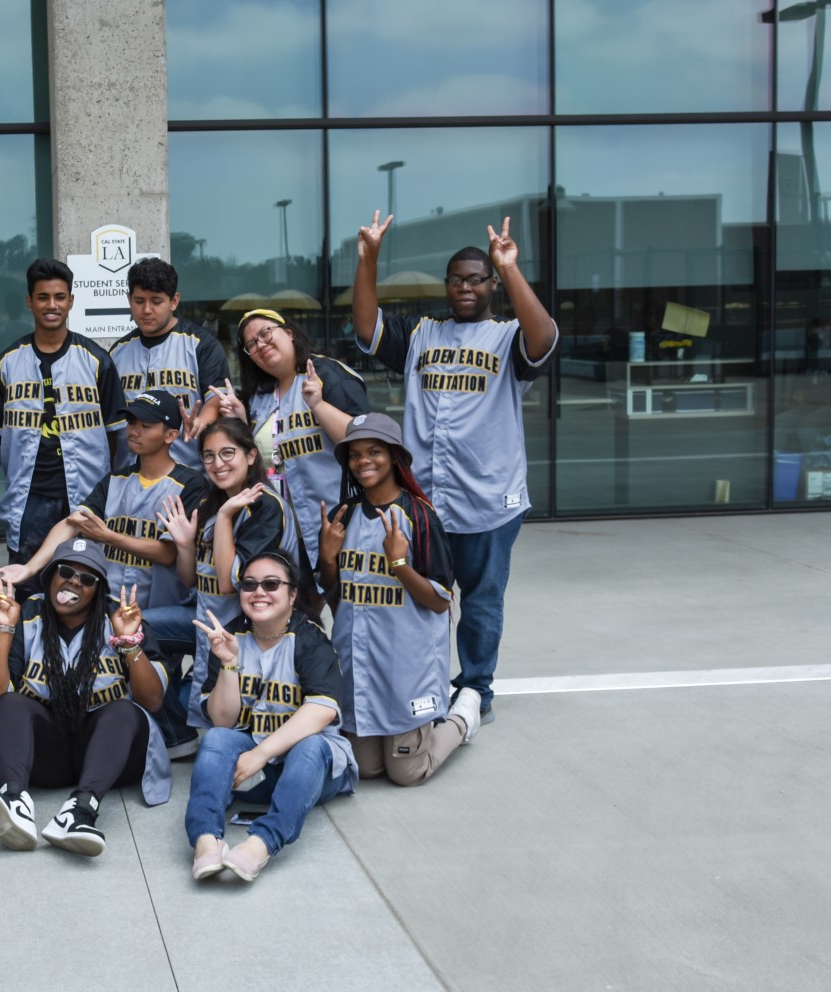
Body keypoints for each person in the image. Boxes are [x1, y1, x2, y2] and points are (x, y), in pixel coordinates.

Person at [351, 214, 558, 720]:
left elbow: (546, 338)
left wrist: (509, 267)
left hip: (489, 497)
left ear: (490, 284)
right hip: (426, 498)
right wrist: (369, 258)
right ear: (446, 285)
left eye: (475, 278)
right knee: (422, 597)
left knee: (481, 602)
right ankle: (423, 680)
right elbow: (366, 327)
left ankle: (476, 688)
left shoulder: (509, 336)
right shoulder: (422, 332)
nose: (465, 287)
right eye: (456, 279)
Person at [0, 389, 206, 756]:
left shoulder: (190, 482)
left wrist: (107, 536)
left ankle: (172, 734)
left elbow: (169, 553)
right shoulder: (116, 479)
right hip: (114, 605)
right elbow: (73, 523)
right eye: (132, 423)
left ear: (171, 435)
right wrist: (29, 568)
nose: (133, 431)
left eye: (146, 425)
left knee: (137, 655)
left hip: (164, 609)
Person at [0, 541, 172, 857]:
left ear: (98, 590)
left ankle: (79, 812)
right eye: (66, 571)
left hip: (111, 757)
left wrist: (129, 643)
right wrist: (5, 629)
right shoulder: (27, 615)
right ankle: (15, 802)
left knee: (123, 710)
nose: (74, 581)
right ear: (51, 577)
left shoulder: (120, 617)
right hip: (47, 757)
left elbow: (153, 701)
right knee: (11, 703)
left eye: (87, 579)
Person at [318, 412, 481, 785]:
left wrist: (400, 564)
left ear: (394, 456)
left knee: (408, 773)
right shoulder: (347, 514)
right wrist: (328, 556)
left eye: (374, 451)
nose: (363, 462)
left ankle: (462, 716)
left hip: (407, 666)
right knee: (368, 769)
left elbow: (440, 601)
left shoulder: (420, 516)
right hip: (360, 662)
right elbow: (332, 592)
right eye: (355, 454)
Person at [187, 552, 356, 882]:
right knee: (217, 739)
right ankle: (205, 840)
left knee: (309, 746)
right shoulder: (229, 636)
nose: (258, 591)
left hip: (308, 772)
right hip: (251, 774)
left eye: (271, 584)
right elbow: (222, 720)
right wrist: (229, 665)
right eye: (249, 584)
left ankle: (262, 843)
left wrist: (260, 754)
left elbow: (321, 712)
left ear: (293, 594)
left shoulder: (311, 640)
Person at [0, 258, 126, 579]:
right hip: (29, 500)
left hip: (87, 495)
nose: (52, 305)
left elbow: (117, 436)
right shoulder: (7, 363)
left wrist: (107, 492)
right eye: (43, 297)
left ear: (71, 301)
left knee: (87, 584)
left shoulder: (95, 359)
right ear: (29, 301)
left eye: (60, 297)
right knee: (28, 586)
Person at [158, 417, 298, 730]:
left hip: (243, 633)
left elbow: (228, 583)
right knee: (140, 631)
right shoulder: (212, 500)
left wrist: (224, 518)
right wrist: (184, 546)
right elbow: (190, 580)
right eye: (209, 455)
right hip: (205, 622)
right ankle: (175, 731)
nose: (217, 463)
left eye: (227, 453)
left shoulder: (265, 507)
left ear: (250, 456)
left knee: (220, 735)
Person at [225, 307, 371, 590]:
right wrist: (242, 422)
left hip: (336, 521)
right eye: (251, 344)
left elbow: (364, 440)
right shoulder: (260, 396)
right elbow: (261, 458)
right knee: (300, 613)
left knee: (345, 612)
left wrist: (318, 405)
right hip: (285, 529)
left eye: (266, 333)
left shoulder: (326, 373)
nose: (261, 345)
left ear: (289, 333)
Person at [109, 258, 233, 468]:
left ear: (174, 301)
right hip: (129, 478)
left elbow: (216, 399)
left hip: (187, 474)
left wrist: (203, 421)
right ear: (129, 299)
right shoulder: (117, 352)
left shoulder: (202, 345)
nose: (146, 310)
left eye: (156, 301)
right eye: (139, 301)